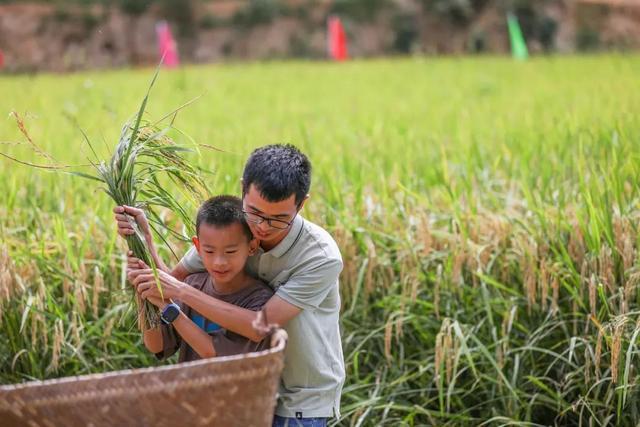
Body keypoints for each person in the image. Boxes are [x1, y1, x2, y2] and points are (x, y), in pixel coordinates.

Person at [118, 144, 345, 427]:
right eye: (255, 212)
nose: (262, 227)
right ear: (243, 190)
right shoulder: (231, 232)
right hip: (242, 396)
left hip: (298, 397)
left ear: (301, 204)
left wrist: (180, 292)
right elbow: (170, 285)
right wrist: (144, 241)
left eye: (278, 219)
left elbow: (258, 324)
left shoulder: (320, 257)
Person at [135, 195, 273, 362]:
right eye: (209, 251)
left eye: (230, 252)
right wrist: (142, 287)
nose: (219, 262)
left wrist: (170, 308)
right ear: (198, 247)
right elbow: (157, 345)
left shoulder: (259, 300)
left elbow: (212, 353)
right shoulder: (193, 283)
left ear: (252, 246)